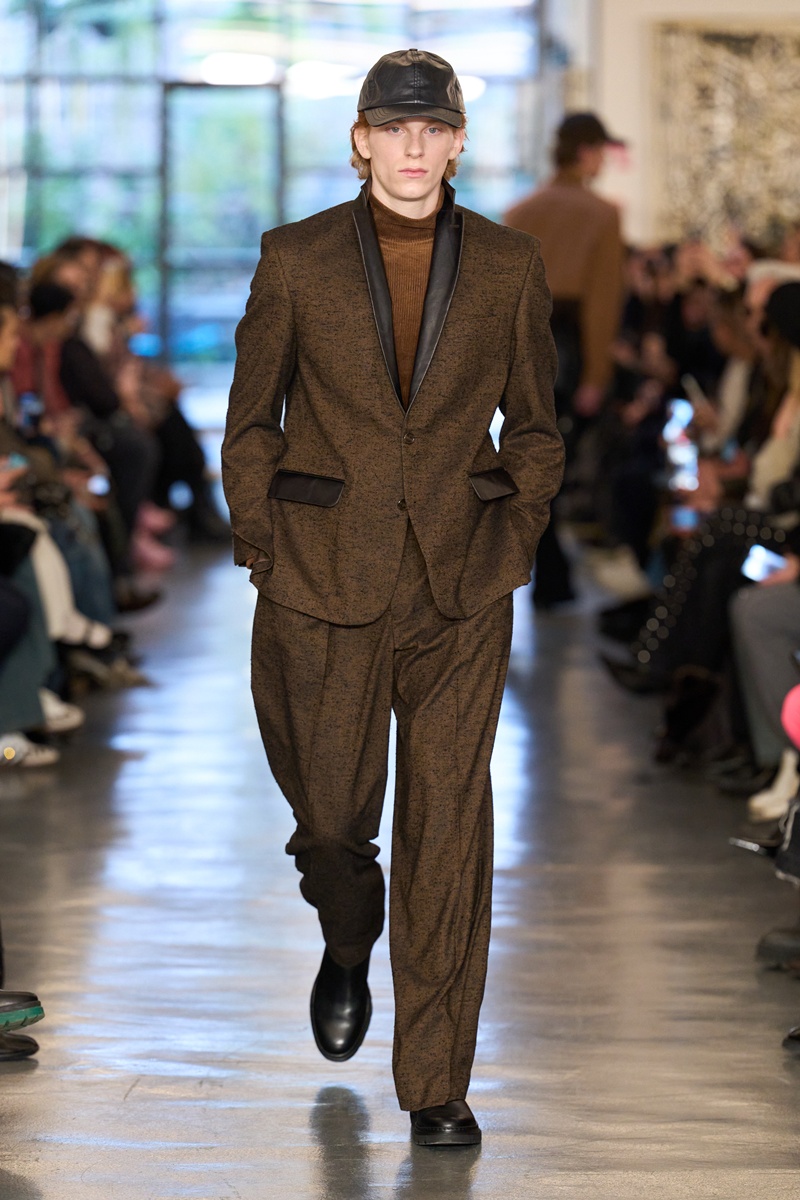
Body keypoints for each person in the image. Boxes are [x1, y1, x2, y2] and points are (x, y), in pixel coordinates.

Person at [223, 48, 563, 1146]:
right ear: (361, 139)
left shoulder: (510, 264)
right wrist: (264, 541)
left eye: (433, 128)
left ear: (456, 142)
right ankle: (345, 928)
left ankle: (436, 1082)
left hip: (461, 579)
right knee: (331, 819)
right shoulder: (295, 258)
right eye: (393, 127)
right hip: (320, 572)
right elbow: (251, 418)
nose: (413, 147)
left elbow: (537, 425)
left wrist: (514, 535)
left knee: (448, 825)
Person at [504, 112, 625, 607]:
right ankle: (552, 578)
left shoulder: (521, 210)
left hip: (523, 348)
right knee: (557, 464)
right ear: (586, 152)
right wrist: (597, 375)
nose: (604, 162)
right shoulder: (602, 214)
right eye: (601, 152)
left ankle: (546, 574)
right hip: (570, 349)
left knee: (531, 458)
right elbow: (602, 303)